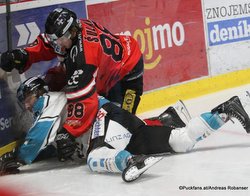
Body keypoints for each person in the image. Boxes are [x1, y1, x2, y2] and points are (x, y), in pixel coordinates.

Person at [1, 78, 250, 183]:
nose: (28, 106)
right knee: (181, 140)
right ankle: (226, 110)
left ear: (38, 92)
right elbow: (50, 142)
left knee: (94, 158)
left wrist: (19, 158)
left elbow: (39, 134)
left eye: (28, 100)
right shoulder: (60, 105)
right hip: (119, 122)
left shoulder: (52, 99)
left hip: (107, 116)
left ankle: (131, 161)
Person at [0, 7, 144, 139]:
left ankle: (158, 124)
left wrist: (69, 132)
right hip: (105, 69)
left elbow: (85, 98)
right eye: (54, 39)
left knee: (122, 126)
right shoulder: (70, 32)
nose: (57, 44)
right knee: (55, 79)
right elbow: (46, 43)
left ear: (73, 32)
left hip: (128, 69)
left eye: (60, 40)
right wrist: (24, 55)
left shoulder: (85, 55)